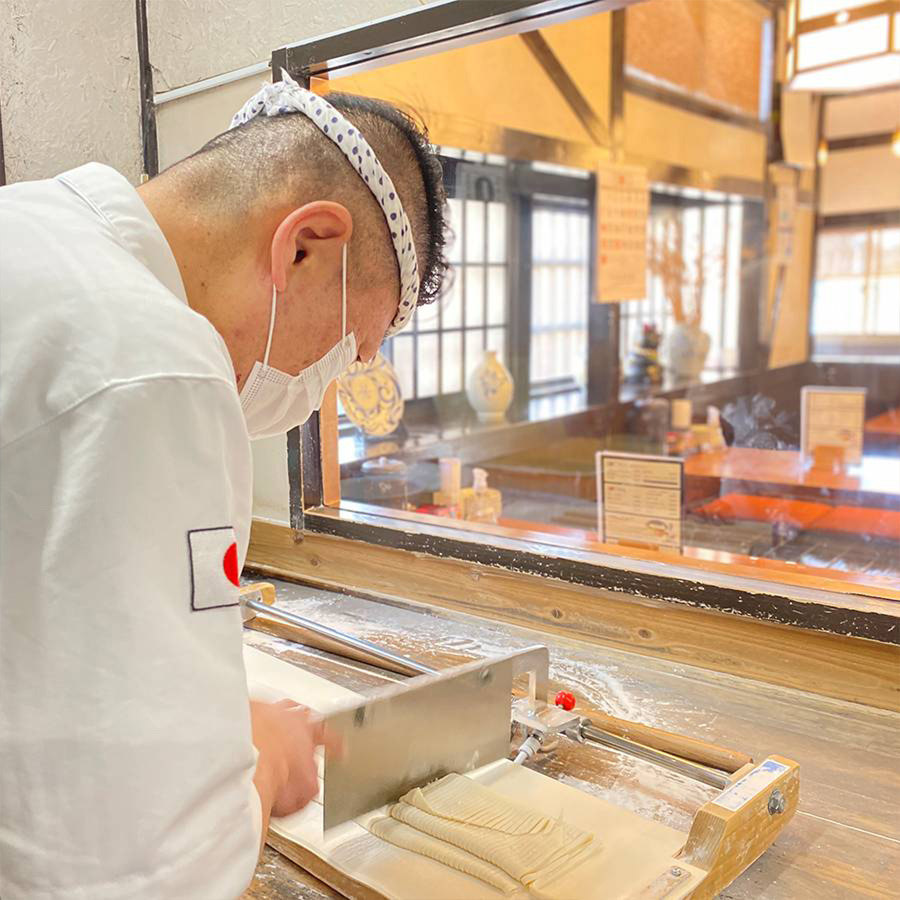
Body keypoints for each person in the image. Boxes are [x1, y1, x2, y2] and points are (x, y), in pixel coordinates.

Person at [0, 75, 448, 898]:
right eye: (350, 346)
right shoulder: (150, 364)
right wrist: (258, 770)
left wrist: (196, 728)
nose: (326, 383)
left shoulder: (29, 232)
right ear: (304, 244)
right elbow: (143, 869)